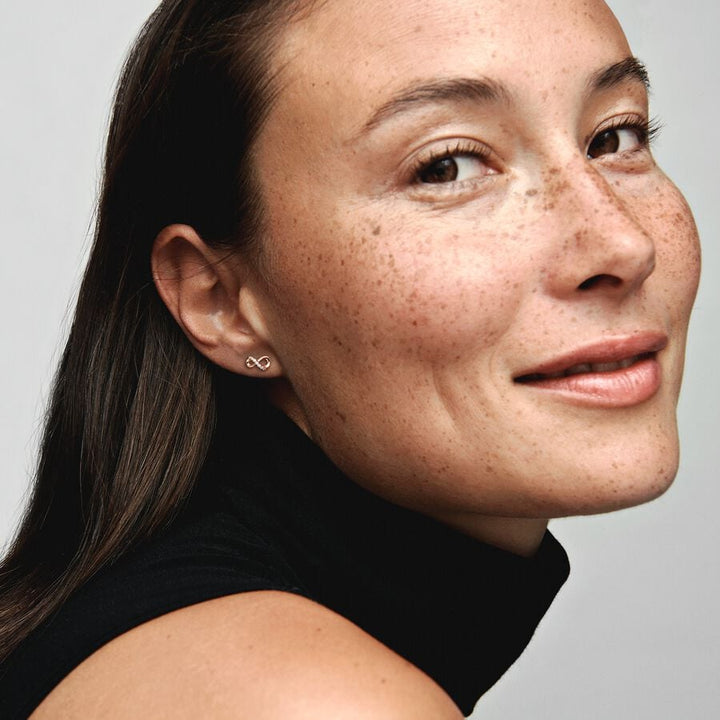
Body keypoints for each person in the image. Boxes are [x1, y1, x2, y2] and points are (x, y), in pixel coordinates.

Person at [0, 0, 701, 717]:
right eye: (447, 166)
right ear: (223, 302)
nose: (624, 245)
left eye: (615, 136)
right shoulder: (307, 701)